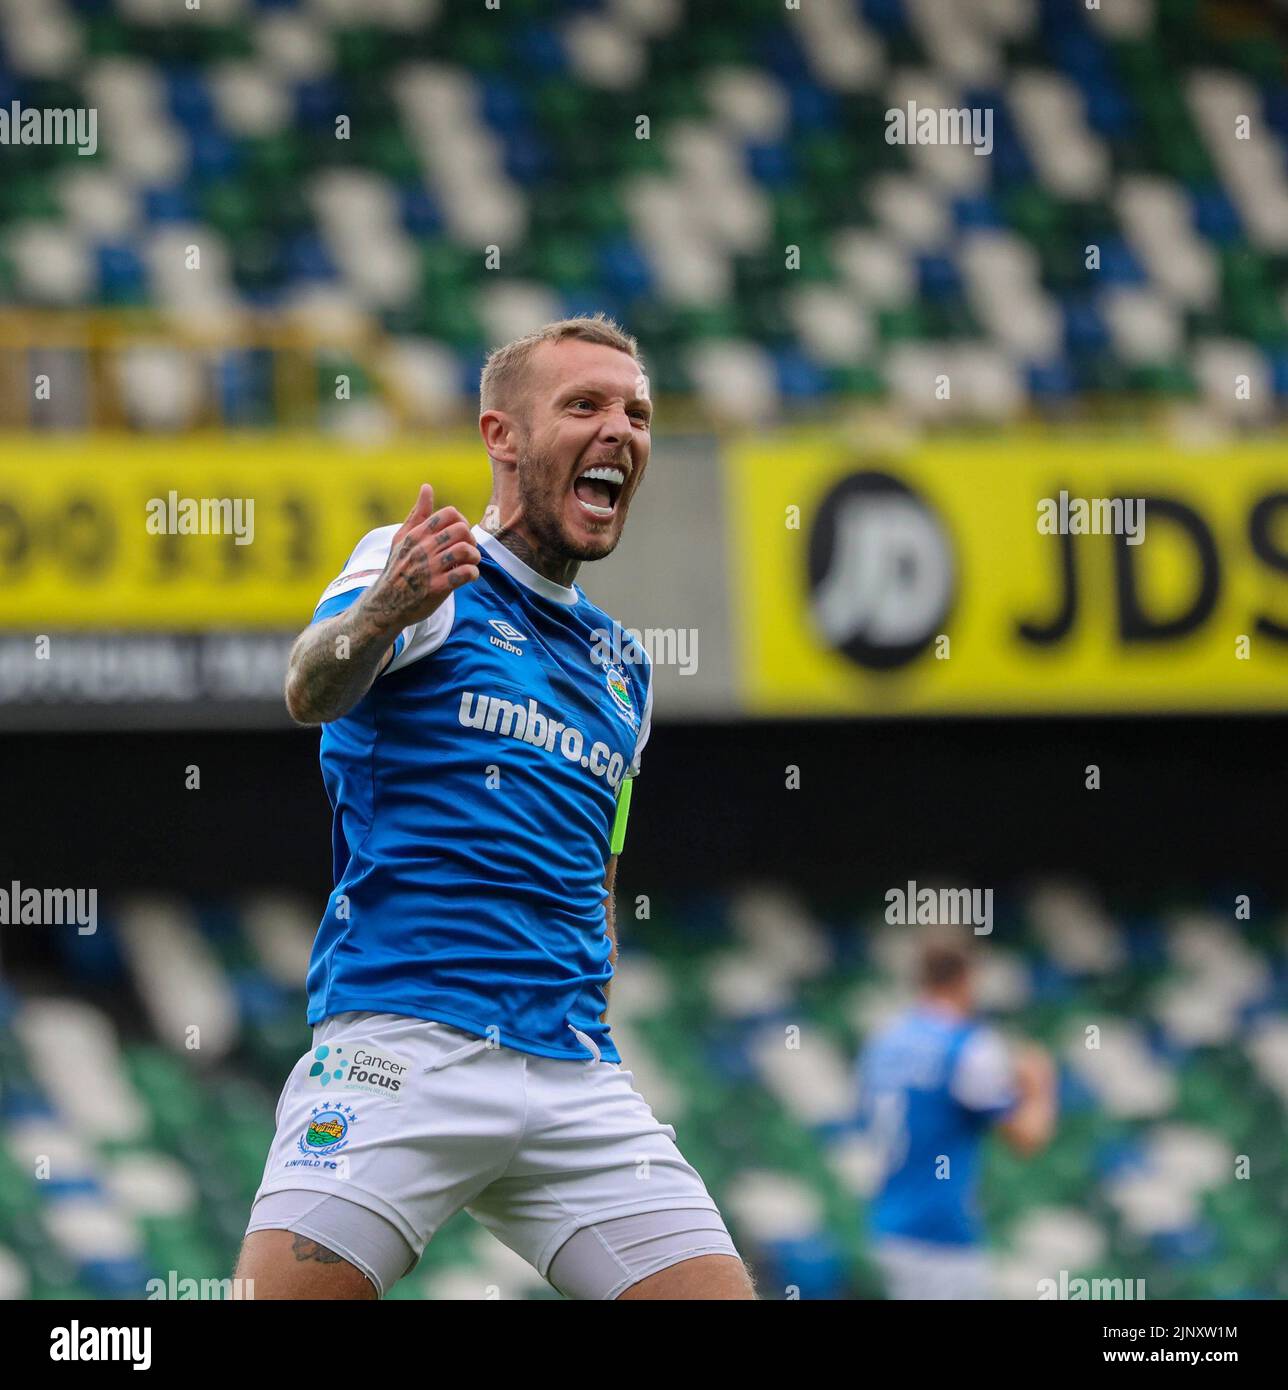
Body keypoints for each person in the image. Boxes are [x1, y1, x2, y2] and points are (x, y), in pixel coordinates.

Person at [235, 315, 754, 1300]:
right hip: (404, 1046)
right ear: (501, 436)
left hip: (572, 1072)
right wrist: (388, 605)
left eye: (637, 413)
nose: (621, 430)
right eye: (585, 406)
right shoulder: (423, 571)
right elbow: (309, 687)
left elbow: (596, 871)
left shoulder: (622, 667)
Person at [858, 935, 1056, 1299]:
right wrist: (1039, 1085)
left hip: (888, 1224)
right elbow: (1027, 1139)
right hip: (941, 1234)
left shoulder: (884, 1041)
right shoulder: (968, 1045)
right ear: (968, 977)